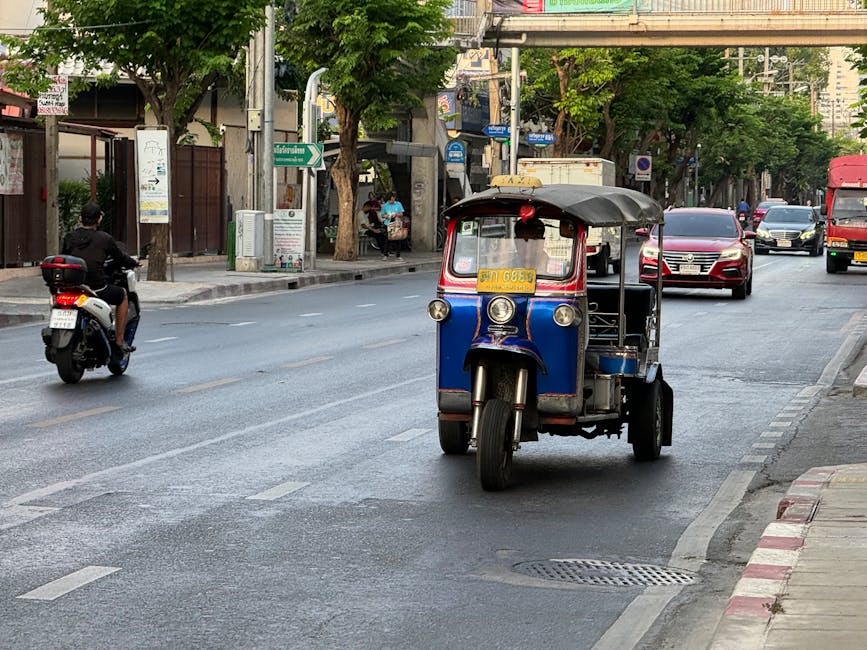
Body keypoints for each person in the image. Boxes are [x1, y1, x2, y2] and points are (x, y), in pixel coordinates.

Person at [61, 202, 139, 355]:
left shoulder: (70, 237)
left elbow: (65, 257)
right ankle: (119, 340)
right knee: (122, 295)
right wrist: (134, 263)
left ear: (80, 218)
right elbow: (120, 258)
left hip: (72, 286)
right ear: (99, 220)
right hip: (96, 288)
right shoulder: (104, 238)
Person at [380, 192, 405, 260]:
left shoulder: (398, 204)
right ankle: (386, 254)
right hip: (388, 223)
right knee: (387, 239)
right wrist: (386, 216)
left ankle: (398, 255)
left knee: (398, 239)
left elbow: (401, 213)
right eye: (391, 199)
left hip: (396, 223)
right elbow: (382, 215)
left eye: (393, 199)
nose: (392, 201)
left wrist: (396, 214)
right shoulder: (385, 206)